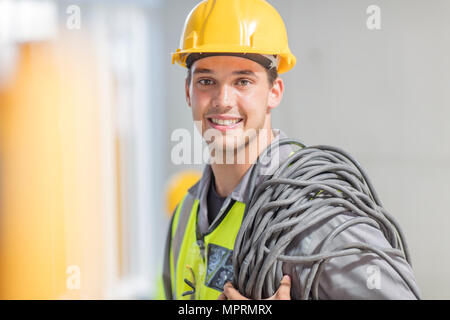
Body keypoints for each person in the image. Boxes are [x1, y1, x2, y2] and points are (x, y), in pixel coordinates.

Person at [162, 0, 420, 300]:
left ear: (274, 92)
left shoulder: (313, 217)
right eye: (206, 81)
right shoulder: (185, 215)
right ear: (187, 91)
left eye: (243, 81)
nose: (222, 100)